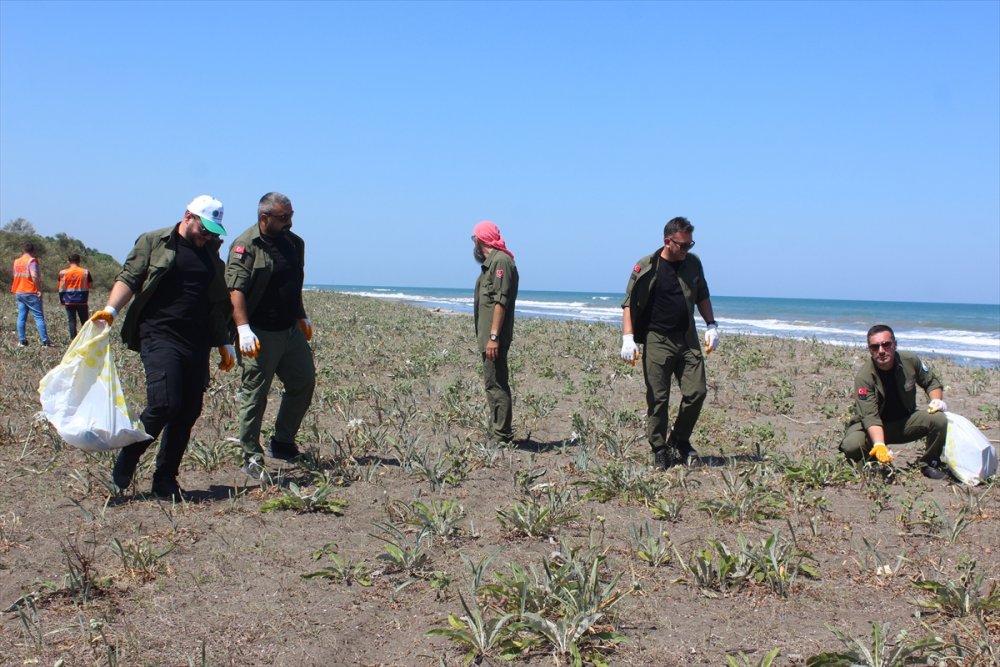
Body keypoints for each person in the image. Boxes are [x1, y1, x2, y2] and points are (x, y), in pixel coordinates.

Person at [92, 195, 236, 500]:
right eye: (204, 229)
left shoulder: (211, 256)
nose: (207, 236)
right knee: (164, 403)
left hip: (196, 341)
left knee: (188, 410)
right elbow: (129, 278)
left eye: (213, 232)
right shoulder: (154, 241)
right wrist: (111, 311)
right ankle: (128, 460)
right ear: (188, 216)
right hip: (158, 334)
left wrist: (225, 342)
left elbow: (215, 304)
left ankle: (165, 479)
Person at [226, 192, 315, 479]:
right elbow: (235, 289)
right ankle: (251, 455)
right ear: (264, 217)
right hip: (259, 331)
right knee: (256, 393)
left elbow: (293, 281)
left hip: (289, 329)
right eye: (283, 217)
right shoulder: (246, 245)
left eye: (291, 215)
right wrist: (242, 329)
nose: (289, 222)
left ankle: (282, 442)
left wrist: (301, 315)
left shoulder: (294, 243)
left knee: (304, 382)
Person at [620, 216, 719, 469]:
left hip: (686, 338)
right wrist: (628, 338)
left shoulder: (693, 264)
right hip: (657, 339)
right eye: (683, 245)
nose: (687, 250)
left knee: (697, 392)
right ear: (667, 241)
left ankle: (679, 440)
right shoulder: (646, 266)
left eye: (690, 244)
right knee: (658, 398)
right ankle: (659, 448)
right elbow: (629, 303)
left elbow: (703, 295)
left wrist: (711, 325)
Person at [839, 324, 949, 479]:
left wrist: (936, 400)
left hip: (905, 422)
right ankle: (874, 458)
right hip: (872, 428)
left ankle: (930, 462)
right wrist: (879, 445)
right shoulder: (864, 378)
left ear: (895, 344)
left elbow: (932, 383)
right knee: (851, 445)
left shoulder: (910, 360)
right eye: (875, 347)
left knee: (938, 419)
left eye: (886, 344)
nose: (881, 350)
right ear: (870, 350)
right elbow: (870, 417)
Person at [472, 220, 519, 444]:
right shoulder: (491, 264)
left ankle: (502, 435)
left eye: (474, 240)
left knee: (496, 382)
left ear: (479, 240)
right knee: (492, 382)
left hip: (494, 338)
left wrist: (493, 337)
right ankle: (497, 431)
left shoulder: (501, 262)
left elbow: (501, 302)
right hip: (489, 337)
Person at [11, 241, 52, 347]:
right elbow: (34, 276)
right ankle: (45, 341)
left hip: (19, 291)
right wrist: (39, 289)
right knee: (39, 317)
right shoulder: (32, 261)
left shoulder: (16, 261)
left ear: (23, 250)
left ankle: (22, 341)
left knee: (21, 317)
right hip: (30, 291)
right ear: (33, 251)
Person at [58, 253, 93, 339]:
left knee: (72, 321)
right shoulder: (85, 272)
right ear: (79, 261)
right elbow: (91, 285)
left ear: (69, 261)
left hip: (68, 301)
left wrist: (62, 299)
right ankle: (86, 338)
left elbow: (60, 287)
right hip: (82, 300)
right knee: (84, 321)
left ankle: (73, 340)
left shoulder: (63, 273)